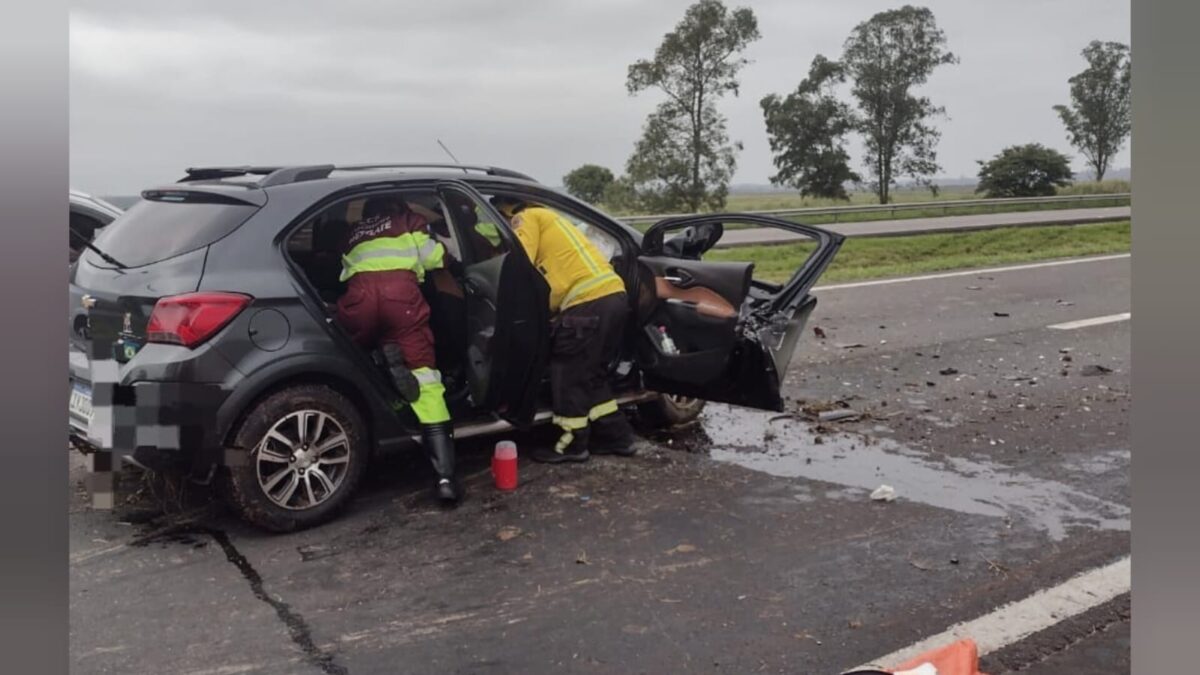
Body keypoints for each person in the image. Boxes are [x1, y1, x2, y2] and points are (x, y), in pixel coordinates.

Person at [489, 195, 639, 464]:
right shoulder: (551, 218)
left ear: (505, 211)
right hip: (611, 298)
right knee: (589, 374)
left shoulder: (525, 217)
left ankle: (570, 444)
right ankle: (618, 437)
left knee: (568, 374)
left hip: (587, 304)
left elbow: (519, 261)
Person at [335, 195, 461, 504]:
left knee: (355, 356)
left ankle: (381, 360)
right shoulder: (407, 223)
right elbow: (435, 258)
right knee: (426, 379)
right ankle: (445, 479)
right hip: (400, 301)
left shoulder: (353, 233)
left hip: (358, 302)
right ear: (397, 208)